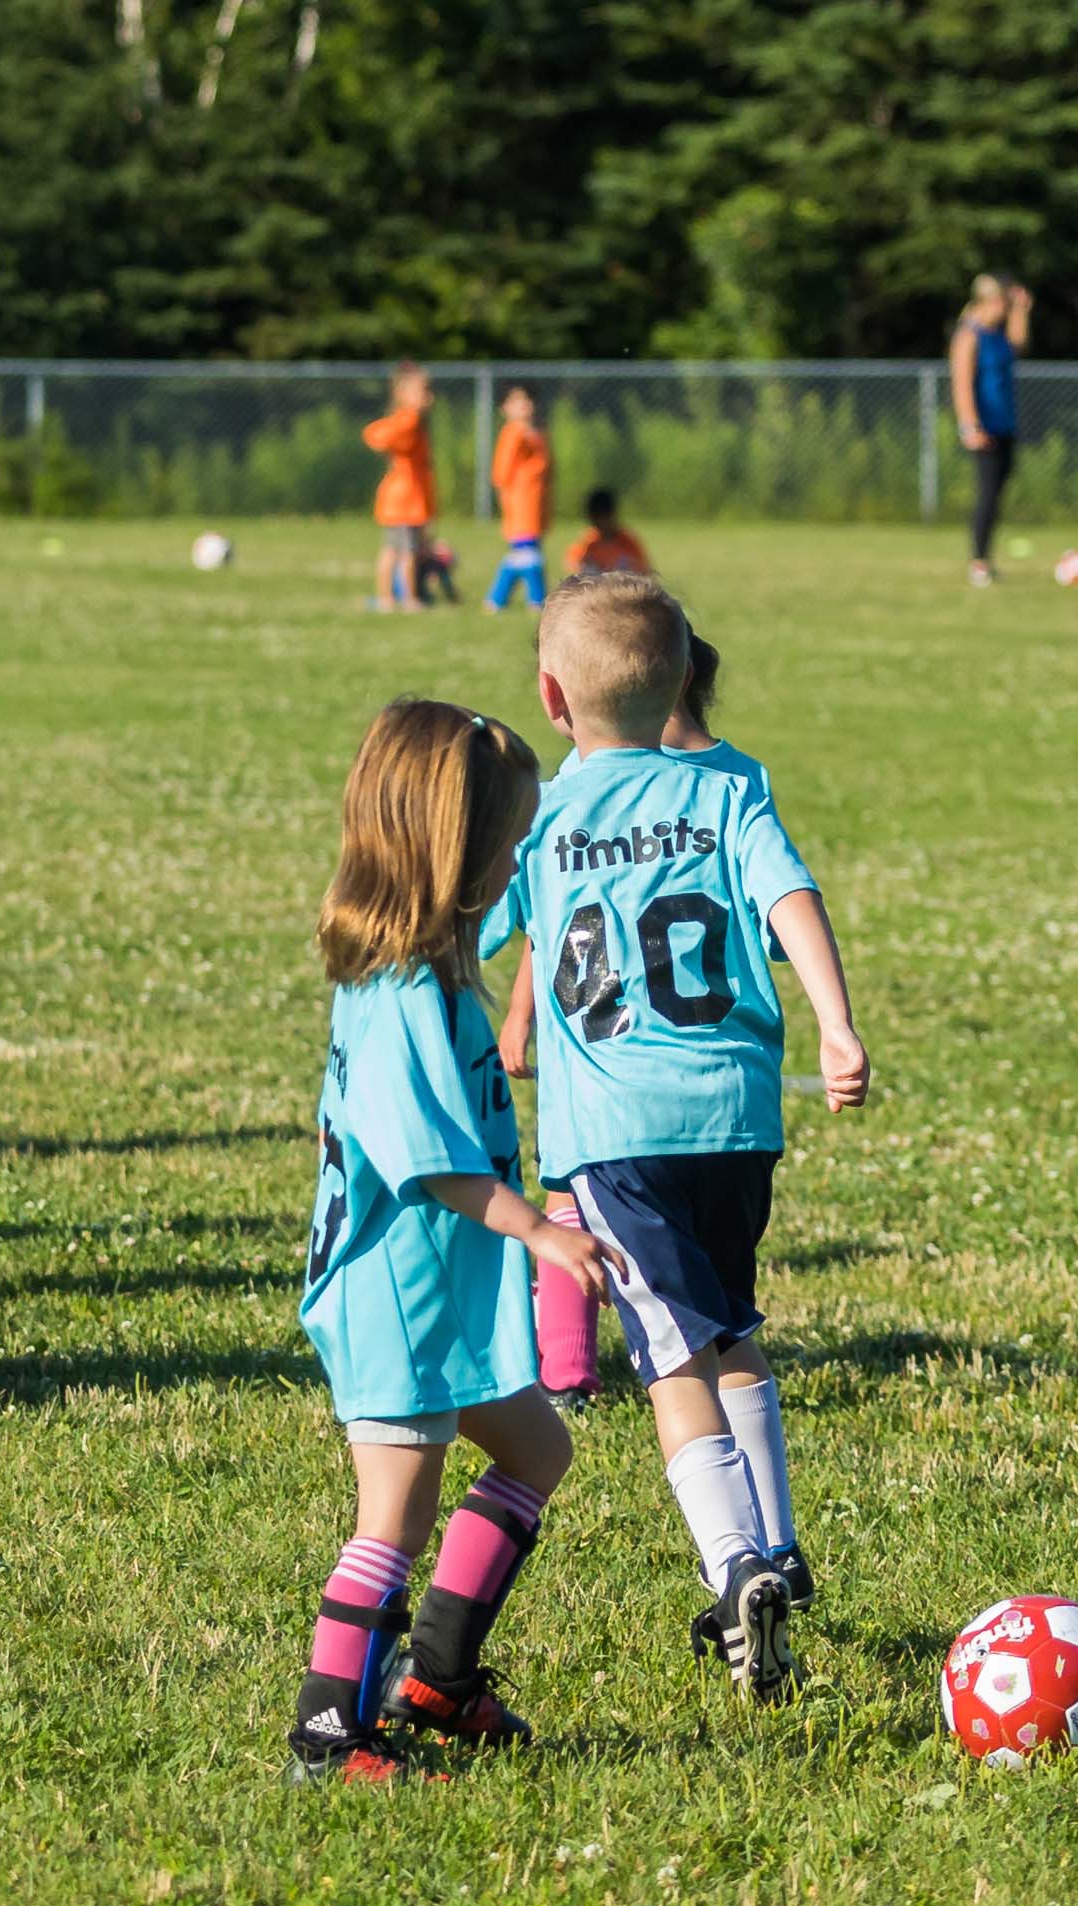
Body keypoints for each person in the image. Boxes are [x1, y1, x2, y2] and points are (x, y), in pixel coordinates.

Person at [486, 573, 868, 1704]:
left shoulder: (545, 815)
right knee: (731, 1324)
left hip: (616, 1136)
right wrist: (838, 1024)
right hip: (737, 1120)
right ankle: (782, 1545)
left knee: (670, 1362)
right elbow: (790, 895)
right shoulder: (728, 785)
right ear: (684, 679)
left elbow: (472, 922)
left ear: (552, 699)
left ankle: (734, 1564)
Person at [286, 698, 615, 1788]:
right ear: (459, 856)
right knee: (398, 1511)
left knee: (538, 1452)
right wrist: (541, 1233)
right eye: (511, 841)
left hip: (438, 1296)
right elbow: (429, 1160)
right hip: (390, 1298)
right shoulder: (397, 999)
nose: (521, 854)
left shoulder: (433, 972)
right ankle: (331, 1733)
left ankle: (437, 1676)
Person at [496, 630, 778, 1408]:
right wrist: (521, 1009)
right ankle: (567, 1366)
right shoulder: (717, 785)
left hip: (623, 1084)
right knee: (572, 1196)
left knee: (580, 1196)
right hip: (633, 1063)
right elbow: (556, 918)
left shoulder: (668, 783)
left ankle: (566, 1371)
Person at [951, 273, 1031, 587]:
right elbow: (961, 384)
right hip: (982, 428)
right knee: (986, 495)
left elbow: (1020, 345)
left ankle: (986, 557)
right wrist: (970, 425)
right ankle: (979, 561)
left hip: (1004, 424)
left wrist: (1021, 312)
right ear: (989, 300)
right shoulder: (969, 335)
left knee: (997, 495)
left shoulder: (997, 334)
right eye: (1004, 303)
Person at [359, 363, 437, 611]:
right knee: (406, 553)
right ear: (402, 394)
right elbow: (375, 434)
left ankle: (388, 598)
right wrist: (386, 442)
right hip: (404, 499)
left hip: (402, 499)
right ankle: (407, 598)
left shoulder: (412, 421)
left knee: (394, 550)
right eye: (423, 391)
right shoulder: (409, 419)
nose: (429, 397)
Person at [485, 386, 552, 613]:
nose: (525, 405)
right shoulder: (514, 433)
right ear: (504, 408)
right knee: (528, 554)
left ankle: (497, 600)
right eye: (517, 401)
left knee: (522, 555)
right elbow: (501, 473)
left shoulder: (535, 432)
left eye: (528, 399)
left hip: (535, 504)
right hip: (522, 504)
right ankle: (537, 599)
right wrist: (509, 501)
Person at [563, 488, 650, 577]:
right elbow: (572, 564)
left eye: (605, 515)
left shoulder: (627, 542)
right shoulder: (587, 543)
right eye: (599, 516)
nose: (603, 521)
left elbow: (644, 571)